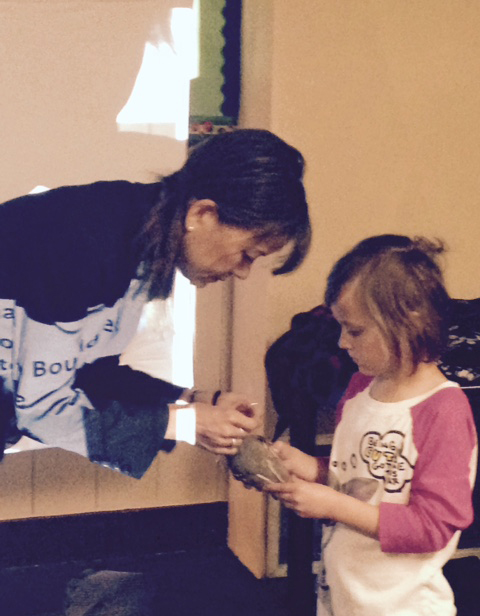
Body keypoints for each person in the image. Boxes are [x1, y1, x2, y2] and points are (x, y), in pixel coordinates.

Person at [0, 128, 311, 479]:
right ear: (202, 214)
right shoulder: (85, 242)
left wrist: (194, 400)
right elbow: (42, 409)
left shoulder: (136, 241)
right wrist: (185, 422)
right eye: (247, 254)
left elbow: (88, 373)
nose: (242, 272)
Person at [265, 234, 477, 616]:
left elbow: (433, 527)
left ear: (409, 321)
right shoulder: (361, 387)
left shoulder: (442, 411)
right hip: (343, 598)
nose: (343, 343)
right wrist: (311, 468)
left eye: (355, 330)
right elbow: (360, 478)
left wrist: (333, 505)